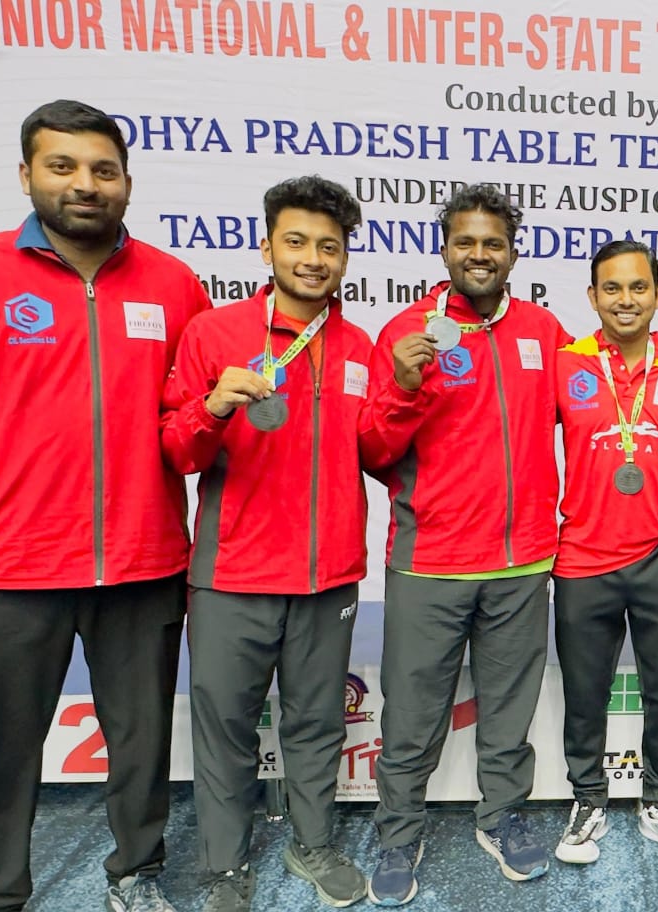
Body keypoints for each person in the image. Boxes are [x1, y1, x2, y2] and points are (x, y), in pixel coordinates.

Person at [0, 99, 211, 912]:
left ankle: (136, 875)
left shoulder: (175, 286)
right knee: (0, 750)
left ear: (128, 184)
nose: (84, 185)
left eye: (103, 170)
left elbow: (193, 423)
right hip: (6, 565)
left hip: (142, 561)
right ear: (26, 174)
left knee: (141, 746)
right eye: (62, 166)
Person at [160, 176, 376, 912]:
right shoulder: (213, 335)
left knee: (316, 722)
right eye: (297, 241)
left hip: (327, 578)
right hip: (232, 576)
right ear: (266, 247)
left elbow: (380, 449)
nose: (312, 258)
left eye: (328, 246)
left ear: (344, 257)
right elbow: (175, 450)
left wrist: (409, 389)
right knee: (223, 726)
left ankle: (312, 843)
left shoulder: (359, 347)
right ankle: (224, 863)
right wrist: (211, 406)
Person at [361, 184, 571, 905]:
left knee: (506, 716)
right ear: (444, 248)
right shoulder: (405, 332)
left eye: (493, 243)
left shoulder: (545, 331)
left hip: (522, 562)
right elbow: (374, 451)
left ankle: (503, 818)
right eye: (466, 242)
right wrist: (402, 386)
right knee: (412, 716)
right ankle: (397, 833)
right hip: (431, 562)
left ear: (514, 252)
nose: (479, 255)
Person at [550, 240, 658, 866]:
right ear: (592, 297)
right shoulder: (566, 364)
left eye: (638, 287)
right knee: (584, 689)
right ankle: (587, 797)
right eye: (611, 288)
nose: (625, 300)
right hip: (584, 552)